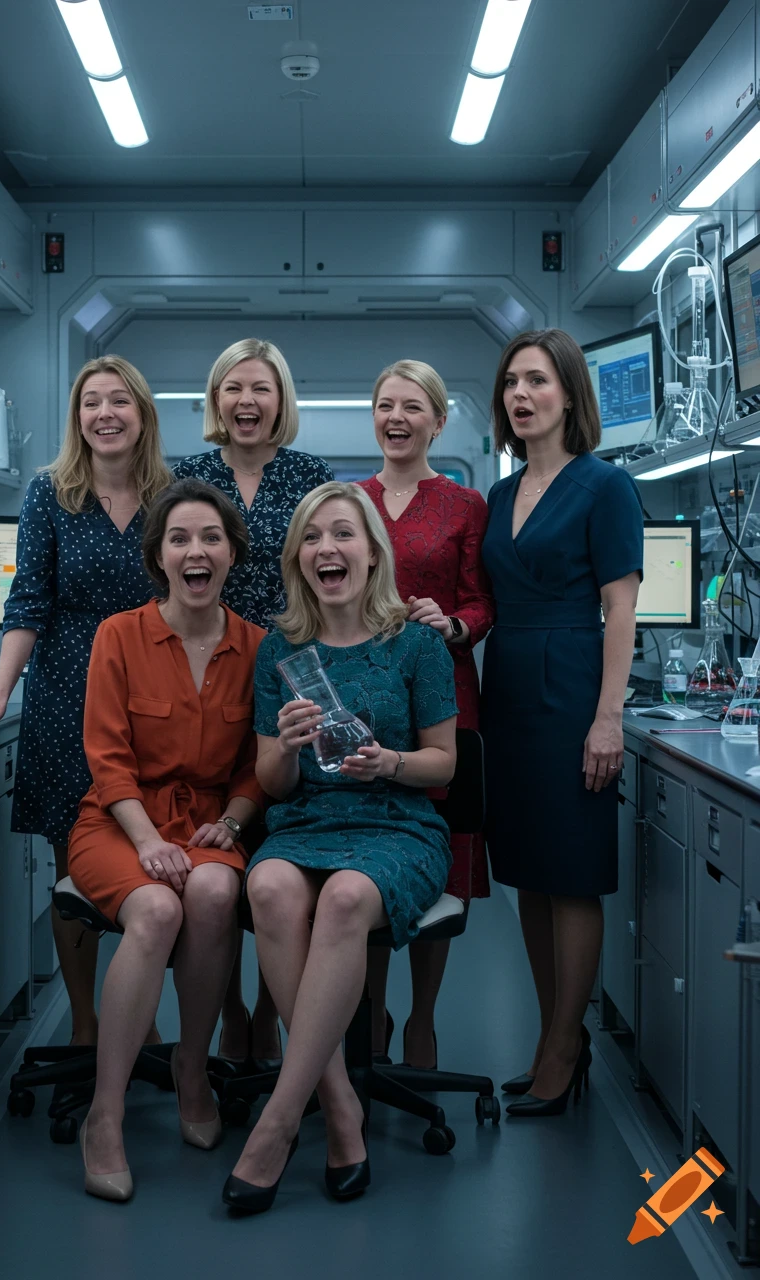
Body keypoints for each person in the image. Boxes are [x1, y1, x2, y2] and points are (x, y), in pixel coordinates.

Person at [222, 482, 458, 1214]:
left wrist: (387, 762)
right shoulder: (281, 649)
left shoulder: (416, 642)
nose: (330, 548)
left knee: (349, 897)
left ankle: (276, 1125)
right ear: (298, 558)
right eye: (314, 538)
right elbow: (272, 782)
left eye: (344, 535)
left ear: (371, 552)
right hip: (307, 822)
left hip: (397, 823)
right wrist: (288, 747)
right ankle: (339, 1105)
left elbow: (444, 766)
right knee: (268, 891)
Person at [0, 356, 172, 1050]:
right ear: (78, 419)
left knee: (155, 860)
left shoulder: (173, 493)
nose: (105, 414)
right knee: (77, 867)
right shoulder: (52, 494)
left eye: (119, 402)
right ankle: (85, 1024)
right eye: (90, 403)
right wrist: (1, 693)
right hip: (67, 696)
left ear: (142, 414)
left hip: (155, 698)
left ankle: (144, 1021)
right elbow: (28, 603)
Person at [69, 479, 266, 1201]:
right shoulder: (119, 634)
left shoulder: (256, 647)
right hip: (117, 820)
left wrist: (237, 820)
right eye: (179, 539)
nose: (196, 551)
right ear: (159, 557)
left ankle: (191, 1068)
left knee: (215, 891)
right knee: (156, 909)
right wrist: (149, 839)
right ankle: (107, 1115)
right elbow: (107, 758)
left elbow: (256, 765)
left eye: (211, 538)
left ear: (231, 554)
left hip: (211, 819)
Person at [480, 329, 642, 1117]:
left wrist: (607, 718)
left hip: (574, 686)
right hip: (508, 687)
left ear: (570, 395)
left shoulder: (604, 486)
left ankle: (566, 1045)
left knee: (572, 875)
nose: (521, 395)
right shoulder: (501, 495)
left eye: (537, 381)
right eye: (511, 382)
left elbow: (622, 609)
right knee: (530, 876)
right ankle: (551, 1034)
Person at [173, 338, 333, 1067]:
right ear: (216, 399)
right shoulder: (191, 475)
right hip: (206, 673)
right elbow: (171, 569)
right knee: (215, 843)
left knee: (280, 846)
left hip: (291, 675)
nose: (246, 401)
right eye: (233, 387)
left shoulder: (309, 476)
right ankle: (229, 1008)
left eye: (261, 388)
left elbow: (332, 571)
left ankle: (270, 1009)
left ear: (281, 401)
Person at [358, 359, 495, 1070]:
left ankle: (423, 1020)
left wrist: (452, 624)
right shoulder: (351, 501)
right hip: (370, 700)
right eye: (386, 405)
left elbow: (482, 602)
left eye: (414, 406)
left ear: (439, 420)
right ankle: (373, 1013)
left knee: (441, 864)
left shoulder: (465, 505)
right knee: (373, 857)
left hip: (445, 696)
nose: (398, 417)